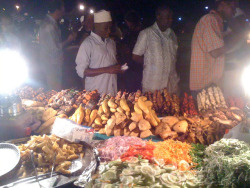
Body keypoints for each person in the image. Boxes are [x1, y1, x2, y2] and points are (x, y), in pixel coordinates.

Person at [189, 0, 238, 96]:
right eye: (233, 7)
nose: (234, 12)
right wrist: (239, 38)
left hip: (209, 86)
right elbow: (215, 52)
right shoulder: (209, 20)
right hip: (204, 88)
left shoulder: (216, 23)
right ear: (223, 4)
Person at [132, 4, 179, 94]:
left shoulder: (172, 34)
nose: (171, 20)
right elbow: (135, 56)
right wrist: (151, 64)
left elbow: (174, 57)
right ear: (158, 16)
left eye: (171, 17)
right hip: (153, 86)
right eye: (168, 17)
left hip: (171, 86)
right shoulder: (147, 33)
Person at [75, 10, 123, 96]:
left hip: (112, 91)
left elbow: (112, 61)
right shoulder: (87, 44)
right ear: (96, 26)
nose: (109, 31)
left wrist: (119, 68)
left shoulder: (111, 43)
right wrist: (107, 70)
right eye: (106, 28)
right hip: (96, 93)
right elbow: (81, 71)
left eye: (110, 27)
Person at [39, 0, 76, 91]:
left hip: (53, 63)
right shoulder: (49, 26)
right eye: (63, 8)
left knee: (56, 90)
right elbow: (54, 48)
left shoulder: (51, 23)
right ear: (57, 10)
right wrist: (69, 40)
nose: (64, 10)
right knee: (54, 91)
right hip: (52, 64)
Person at [119, 11, 143, 92]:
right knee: (137, 89)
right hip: (136, 66)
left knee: (132, 89)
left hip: (132, 66)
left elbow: (124, 48)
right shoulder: (141, 31)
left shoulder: (131, 33)